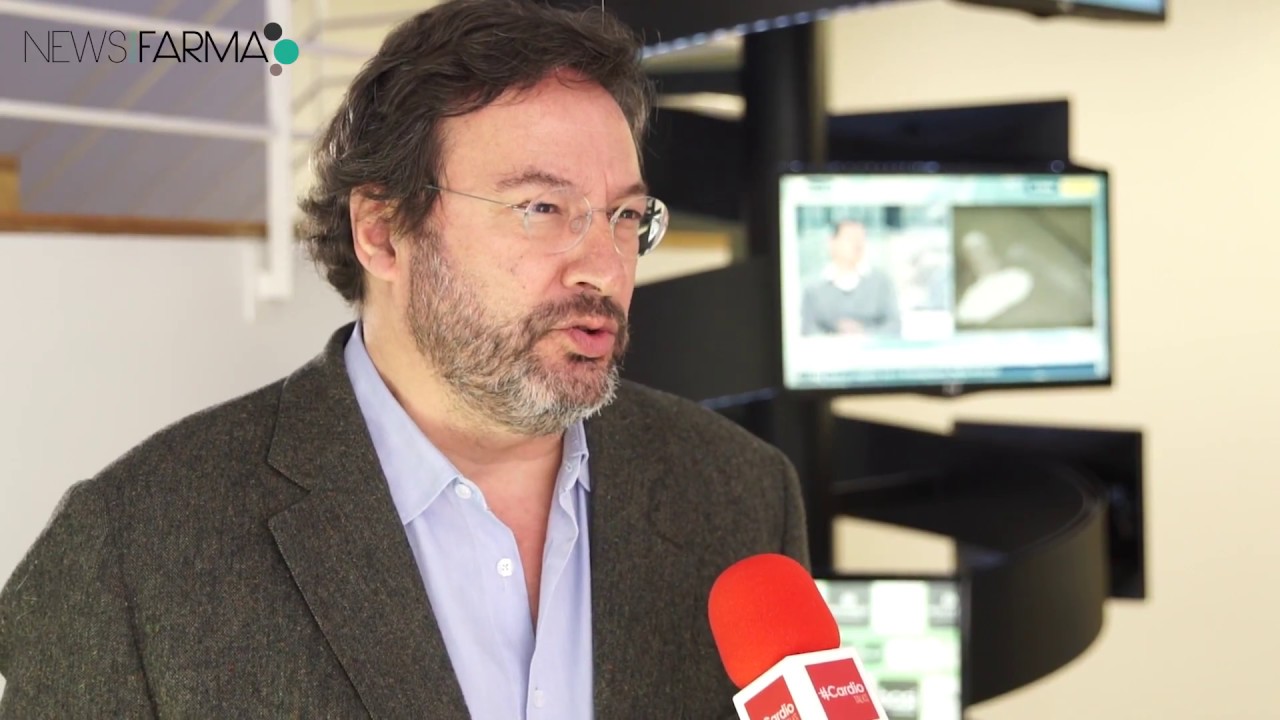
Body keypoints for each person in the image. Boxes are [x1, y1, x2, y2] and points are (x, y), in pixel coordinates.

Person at [0, 1, 808, 717]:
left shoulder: (738, 495)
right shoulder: (134, 548)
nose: (604, 265)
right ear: (383, 233)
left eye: (625, 216)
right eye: (541, 207)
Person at [800, 220, 901, 337]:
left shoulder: (881, 283)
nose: (857, 245)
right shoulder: (813, 289)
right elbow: (808, 330)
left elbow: (894, 326)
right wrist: (836, 338)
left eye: (861, 239)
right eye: (850, 239)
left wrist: (863, 334)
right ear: (832, 242)